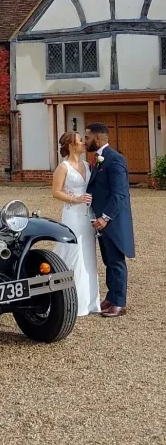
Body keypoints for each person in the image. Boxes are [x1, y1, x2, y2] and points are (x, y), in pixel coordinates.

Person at [85, 122, 135, 318]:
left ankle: (119, 303)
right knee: (108, 260)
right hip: (100, 221)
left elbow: (120, 194)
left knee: (116, 261)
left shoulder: (115, 160)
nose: (86, 141)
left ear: (97, 138)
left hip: (112, 221)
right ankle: (111, 296)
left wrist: (105, 217)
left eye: (87, 137)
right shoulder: (98, 159)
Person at [51, 131, 101, 317]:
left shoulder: (87, 165)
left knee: (88, 254)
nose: (83, 143)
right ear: (71, 145)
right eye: (80, 140)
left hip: (88, 214)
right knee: (75, 253)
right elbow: (56, 192)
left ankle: (90, 301)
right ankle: (72, 301)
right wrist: (76, 198)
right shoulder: (63, 167)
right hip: (73, 214)